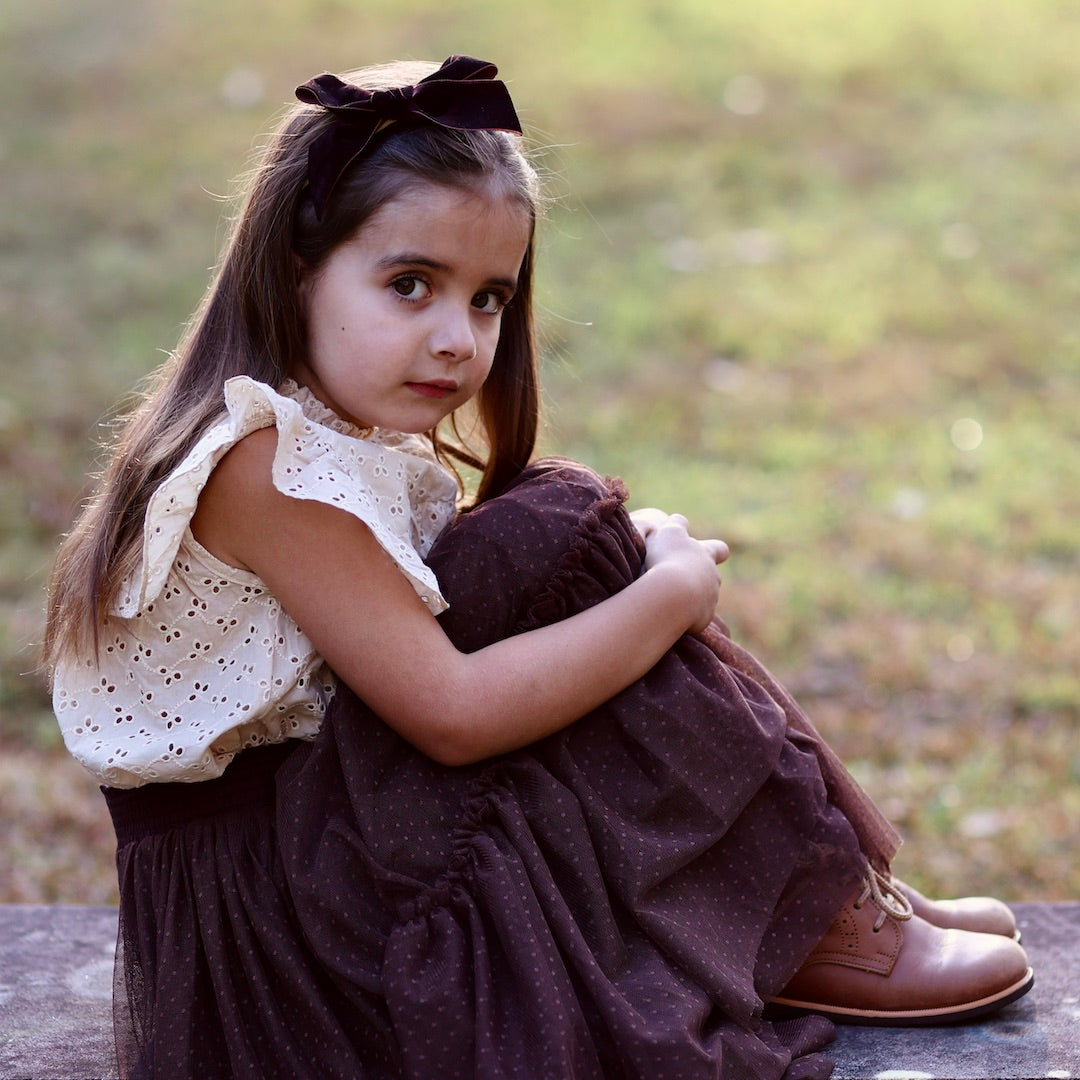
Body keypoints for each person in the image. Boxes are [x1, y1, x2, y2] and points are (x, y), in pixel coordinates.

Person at [44, 56, 1032, 1080]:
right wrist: (666, 595)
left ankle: (805, 902)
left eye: (487, 299)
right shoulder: (262, 464)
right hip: (285, 927)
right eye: (410, 284)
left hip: (311, 845)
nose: (456, 338)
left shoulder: (326, 435)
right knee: (564, 531)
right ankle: (800, 923)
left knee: (568, 538)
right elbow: (454, 713)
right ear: (296, 271)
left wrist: (623, 573)